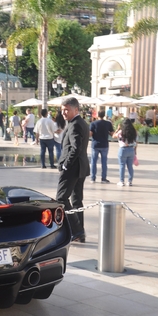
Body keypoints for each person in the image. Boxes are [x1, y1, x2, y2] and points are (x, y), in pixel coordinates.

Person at [56, 97, 90, 243]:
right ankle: (79, 233)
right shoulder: (79, 122)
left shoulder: (75, 124)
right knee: (76, 201)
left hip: (72, 167)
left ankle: (77, 230)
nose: (63, 112)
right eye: (62, 109)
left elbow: (76, 148)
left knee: (62, 198)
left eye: (67, 110)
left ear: (76, 109)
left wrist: (65, 164)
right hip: (80, 167)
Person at [89, 110, 114, 183]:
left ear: (97, 115)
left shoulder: (93, 123)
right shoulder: (108, 124)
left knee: (93, 162)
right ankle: (103, 178)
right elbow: (112, 134)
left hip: (95, 144)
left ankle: (93, 178)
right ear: (104, 115)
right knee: (104, 162)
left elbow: (90, 134)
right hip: (104, 145)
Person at [113, 118, 137, 186]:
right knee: (130, 166)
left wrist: (117, 129)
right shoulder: (134, 131)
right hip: (131, 150)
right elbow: (136, 142)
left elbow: (113, 136)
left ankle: (121, 181)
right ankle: (129, 181)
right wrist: (135, 151)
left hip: (123, 150)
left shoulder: (121, 132)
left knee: (122, 166)